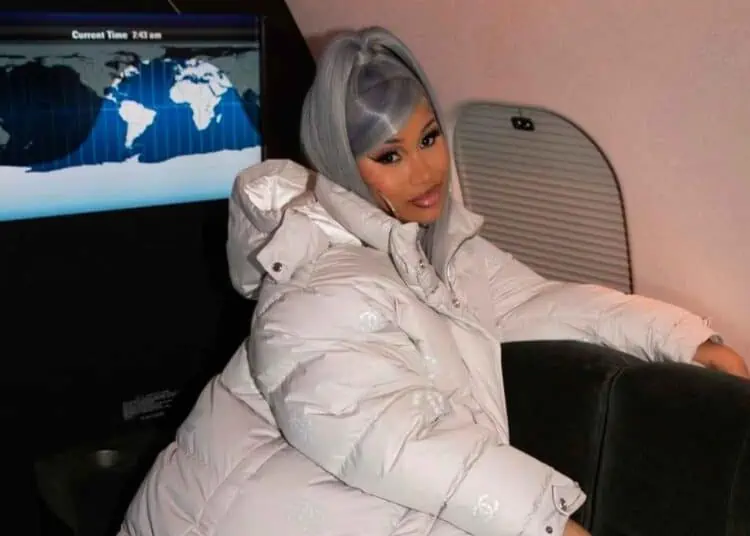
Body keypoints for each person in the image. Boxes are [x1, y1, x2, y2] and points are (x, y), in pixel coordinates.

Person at [119, 27, 749, 536]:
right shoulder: (314, 287)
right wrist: (546, 521)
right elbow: (391, 438)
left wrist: (682, 339)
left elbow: (529, 301)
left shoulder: (430, 245)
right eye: (390, 156)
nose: (425, 173)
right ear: (342, 164)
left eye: (429, 138)